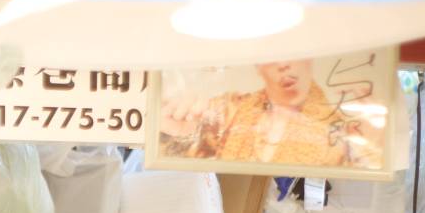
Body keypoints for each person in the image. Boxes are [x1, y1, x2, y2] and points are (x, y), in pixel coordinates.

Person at [158, 59, 384, 170]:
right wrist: (183, 133)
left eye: (295, 52)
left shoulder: (344, 132)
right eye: (274, 56)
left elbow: (369, 169)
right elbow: (181, 145)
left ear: (310, 58)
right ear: (258, 66)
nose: (284, 65)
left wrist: (370, 149)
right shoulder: (232, 109)